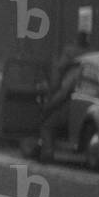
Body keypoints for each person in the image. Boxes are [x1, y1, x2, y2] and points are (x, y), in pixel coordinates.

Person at [39, 32, 90, 163]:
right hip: (88, 105)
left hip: (73, 107)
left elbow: (63, 94)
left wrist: (48, 107)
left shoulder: (73, 71)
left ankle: (48, 153)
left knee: (47, 125)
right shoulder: (90, 59)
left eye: (64, 57)